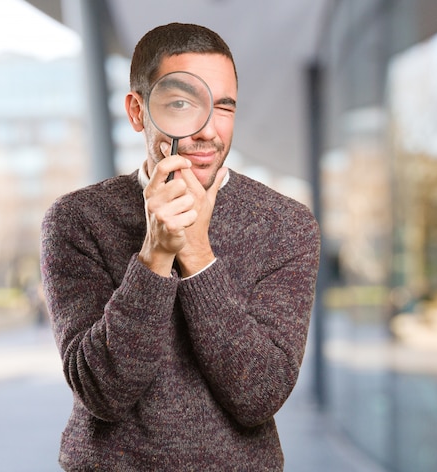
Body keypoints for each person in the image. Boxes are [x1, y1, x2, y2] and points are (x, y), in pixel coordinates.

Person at [40, 22, 320, 471]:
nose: (208, 130)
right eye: (183, 104)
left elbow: (260, 395)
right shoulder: (76, 219)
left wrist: (196, 255)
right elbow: (102, 392)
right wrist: (154, 257)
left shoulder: (286, 226)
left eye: (224, 107)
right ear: (137, 111)